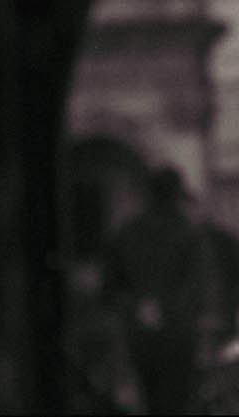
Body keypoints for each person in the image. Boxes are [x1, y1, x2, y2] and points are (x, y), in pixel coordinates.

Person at [99, 167, 206, 416]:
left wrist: (139, 309)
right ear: (176, 195)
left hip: (140, 335)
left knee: (151, 401)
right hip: (178, 335)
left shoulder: (126, 233)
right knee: (177, 403)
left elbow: (109, 291)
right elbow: (197, 288)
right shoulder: (188, 234)